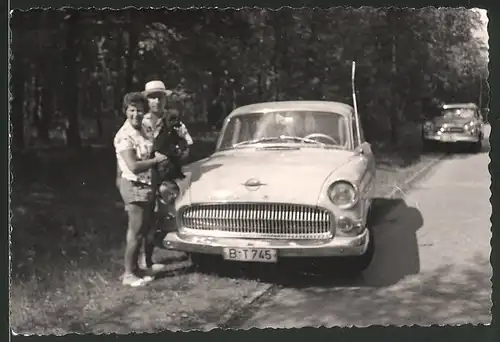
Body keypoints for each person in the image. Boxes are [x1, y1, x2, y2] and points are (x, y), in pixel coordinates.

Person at [113, 92, 169, 287]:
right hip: (135, 186)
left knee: (145, 229)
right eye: (132, 110)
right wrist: (156, 160)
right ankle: (128, 274)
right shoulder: (123, 136)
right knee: (135, 232)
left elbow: (149, 149)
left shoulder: (144, 128)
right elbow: (133, 166)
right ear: (125, 111)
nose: (135, 114)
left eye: (139, 110)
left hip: (147, 185)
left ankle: (138, 269)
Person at [140, 79, 193, 267]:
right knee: (144, 218)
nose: (157, 101)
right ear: (148, 100)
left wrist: (178, 154)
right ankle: (143, 260)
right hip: (144, 176)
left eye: (160, 97)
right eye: (153, 97)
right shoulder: (140, 121)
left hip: (166, 175)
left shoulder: (174, 120)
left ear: (165, 99)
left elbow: (188, 144)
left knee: (162, 216)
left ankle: (151, 258)